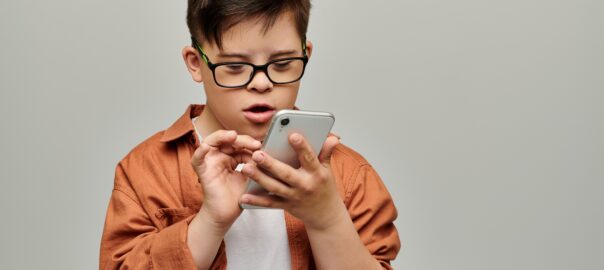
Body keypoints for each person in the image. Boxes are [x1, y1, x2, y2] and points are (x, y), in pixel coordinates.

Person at [99, 1, 400, 269]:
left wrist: (327, 218)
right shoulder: (144, 170)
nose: (260, 83)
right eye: (234, 66)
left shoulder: (349, 174)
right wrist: (210, 222)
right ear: (195, 63)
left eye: (282, 64)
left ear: (305, 55)